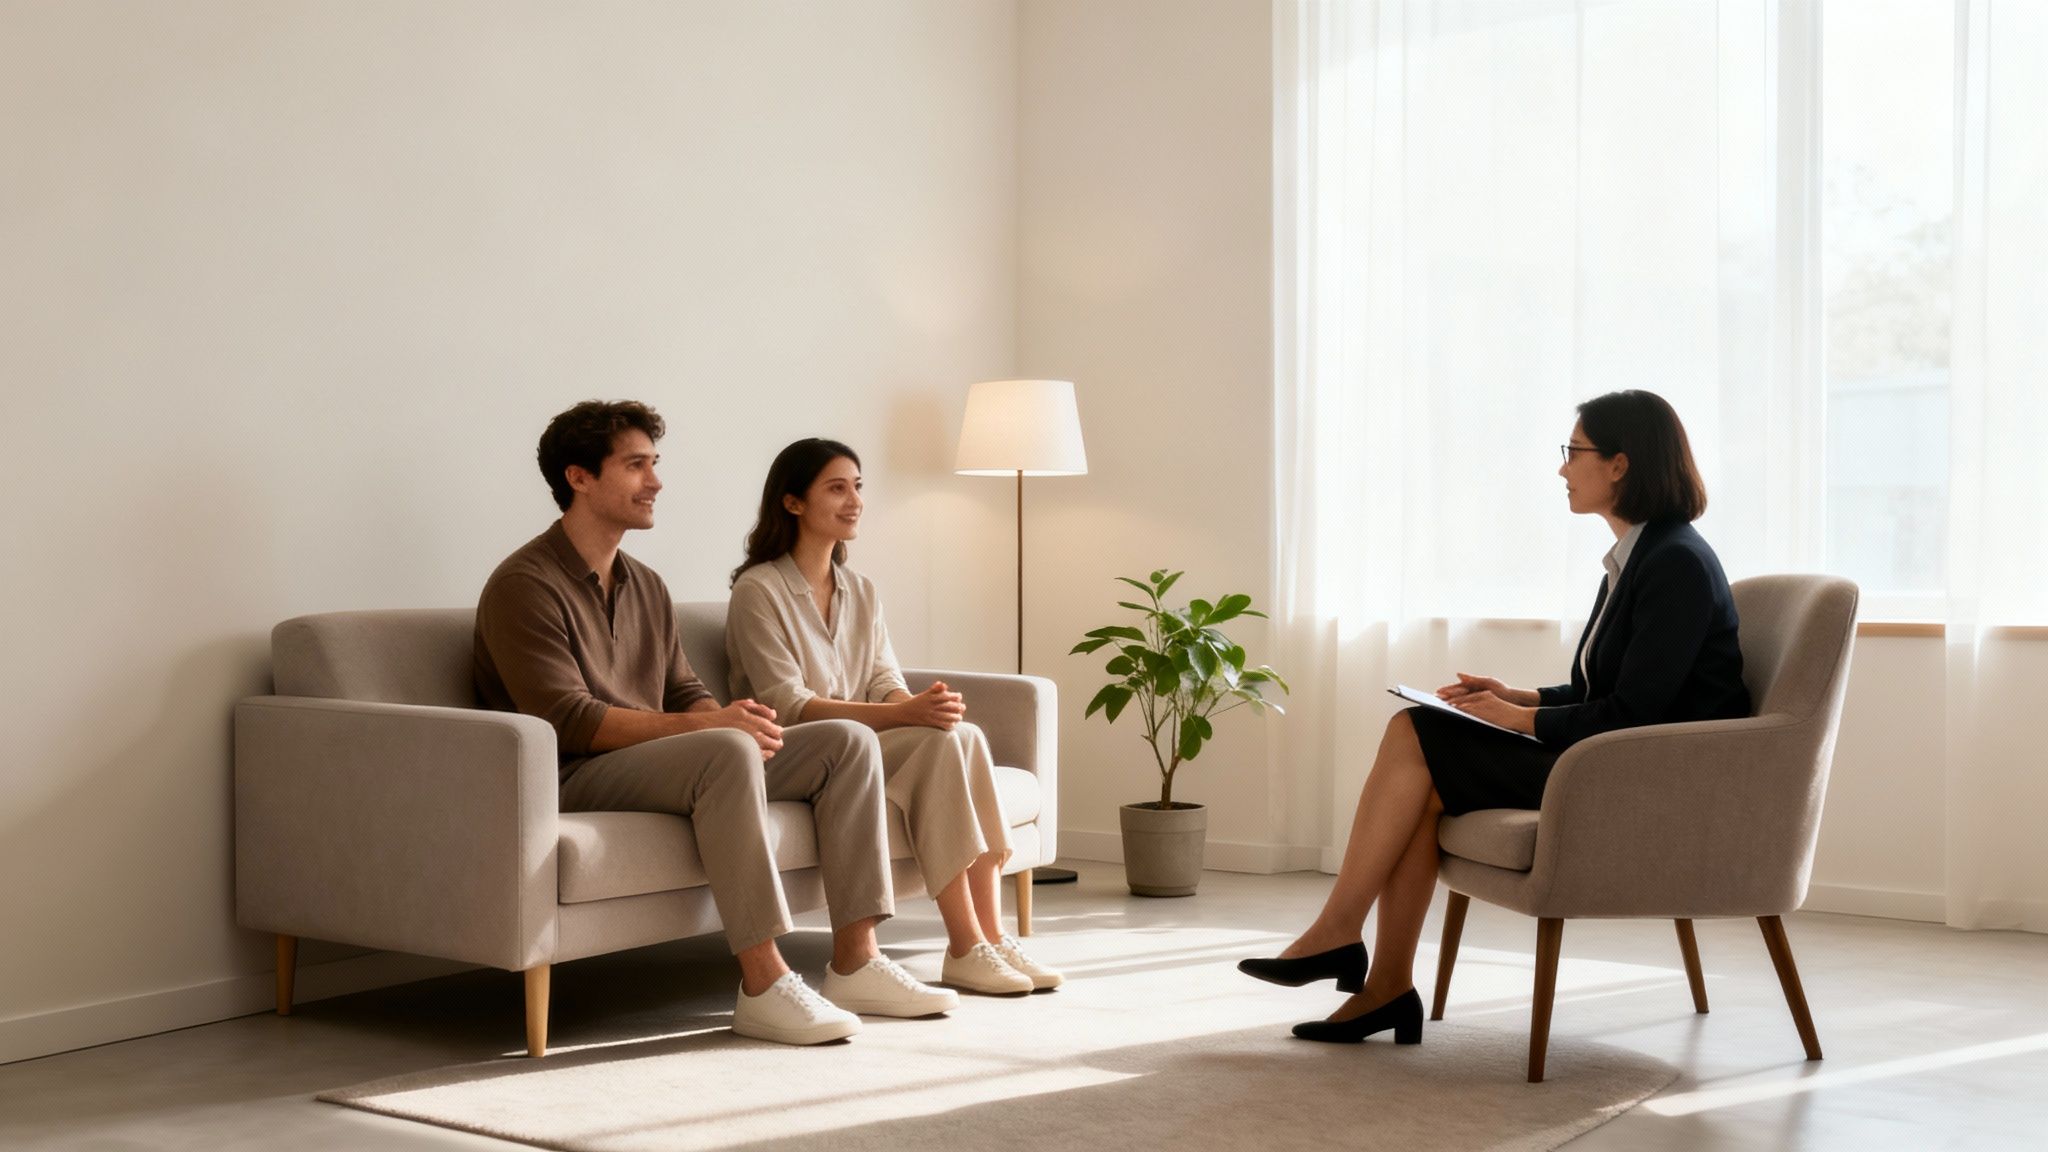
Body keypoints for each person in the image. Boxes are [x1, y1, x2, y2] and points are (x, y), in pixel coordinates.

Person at [1238, 389, 1751, 1043]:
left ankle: (1345, 939)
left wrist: (1512, 721)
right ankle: (1383, 982)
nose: (1563, 468)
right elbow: (1598, 688)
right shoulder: (1641, 556)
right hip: (1616, 757)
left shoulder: (1674, 562)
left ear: (1620, 465)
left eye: (1573, 452)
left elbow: (1634, 715)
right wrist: (1521, 697)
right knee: (1420, 763)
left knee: (1415, 735)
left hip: (1644, 779)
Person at [474, 402, 958, 1048]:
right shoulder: (523, 585)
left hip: (659, 762)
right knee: (725, 752)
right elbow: (569, 721)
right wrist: (714, 732)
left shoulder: (644, 585)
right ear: (580, 477)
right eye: (636, 465)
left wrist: (733, 718)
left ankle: (856, 960)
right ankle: (763, 983)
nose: (656, 482)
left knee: (845, 742)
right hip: (575, 773)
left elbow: (685, 688)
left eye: (655, 464)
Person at [726, 438, 1062, 995]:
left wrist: (921, 707)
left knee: (963, 733)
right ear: (793, 503)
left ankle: (991, 938)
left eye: (858, 486)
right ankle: (964, 945)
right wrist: (906, 715)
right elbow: (786, 703)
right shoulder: (758, 590)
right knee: (934, 743)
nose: (854, 499)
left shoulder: (861, 590)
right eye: (837, 487)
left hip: (863, 742)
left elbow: (884, 680)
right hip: (802, 748)